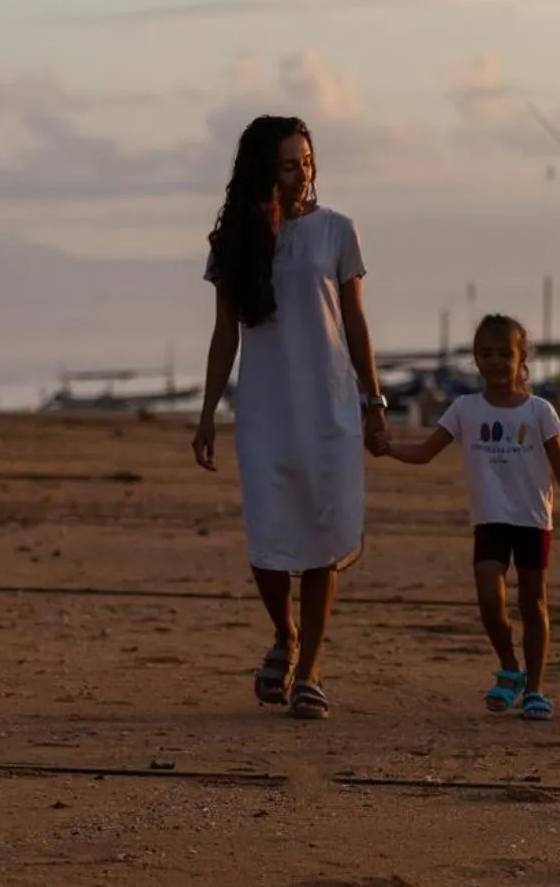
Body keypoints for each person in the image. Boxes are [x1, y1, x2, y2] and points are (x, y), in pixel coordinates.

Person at [193, 114, 388, 721]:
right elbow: (225, 334)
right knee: (269, 535)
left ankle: (309, 671)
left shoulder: (338, 231)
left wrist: (374, 400)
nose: (302, 174)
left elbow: (355, 322)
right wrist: (207, 413)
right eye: (287, 165)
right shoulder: (234, 242)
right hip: (264, 409)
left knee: (324, 536)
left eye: (306, 162)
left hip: (329, 405)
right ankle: (285, 631)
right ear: (263, 171)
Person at [378, 313, 560, 721]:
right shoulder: (465, 409)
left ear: (521, 358)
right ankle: (510, 667)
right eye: (486, 354)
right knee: (489, 599)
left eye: (504, 354)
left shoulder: (540, 411)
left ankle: (535, 688)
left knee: (532, 603)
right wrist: (389, 448)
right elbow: (426, 451)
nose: (495, 362)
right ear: (476, 358)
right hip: (490, 520)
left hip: (532, 519)